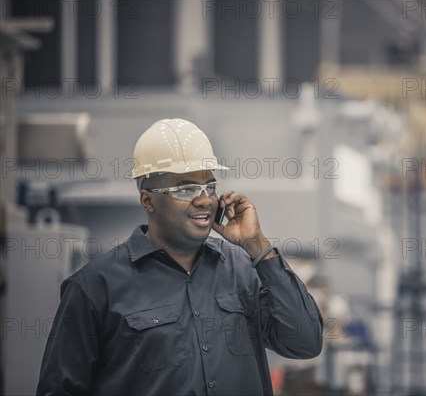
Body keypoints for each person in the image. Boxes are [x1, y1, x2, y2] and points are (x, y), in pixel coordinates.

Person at [36, 118, 324, 395]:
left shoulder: (243, 270)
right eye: (186, 188)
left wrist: (258, 247)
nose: (204, 199)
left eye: (209, 186)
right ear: (148, 200)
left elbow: (305, 343)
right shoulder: (94, 287)